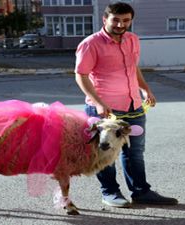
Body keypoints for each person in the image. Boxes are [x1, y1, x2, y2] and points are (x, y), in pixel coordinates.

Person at [75, 2, 178, 207]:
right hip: (105, 109)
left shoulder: (133, 39)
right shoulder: (90, 43)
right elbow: (81, 75)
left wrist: (145, 89)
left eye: (126, 20)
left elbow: (133, 68)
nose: (121, 24)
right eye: (116, 20)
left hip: (134, 106)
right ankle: (110, 192)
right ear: (105, 19)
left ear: (131, 20)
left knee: (135, 152)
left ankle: (141, 191)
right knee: (105, 152)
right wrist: (98, 102)